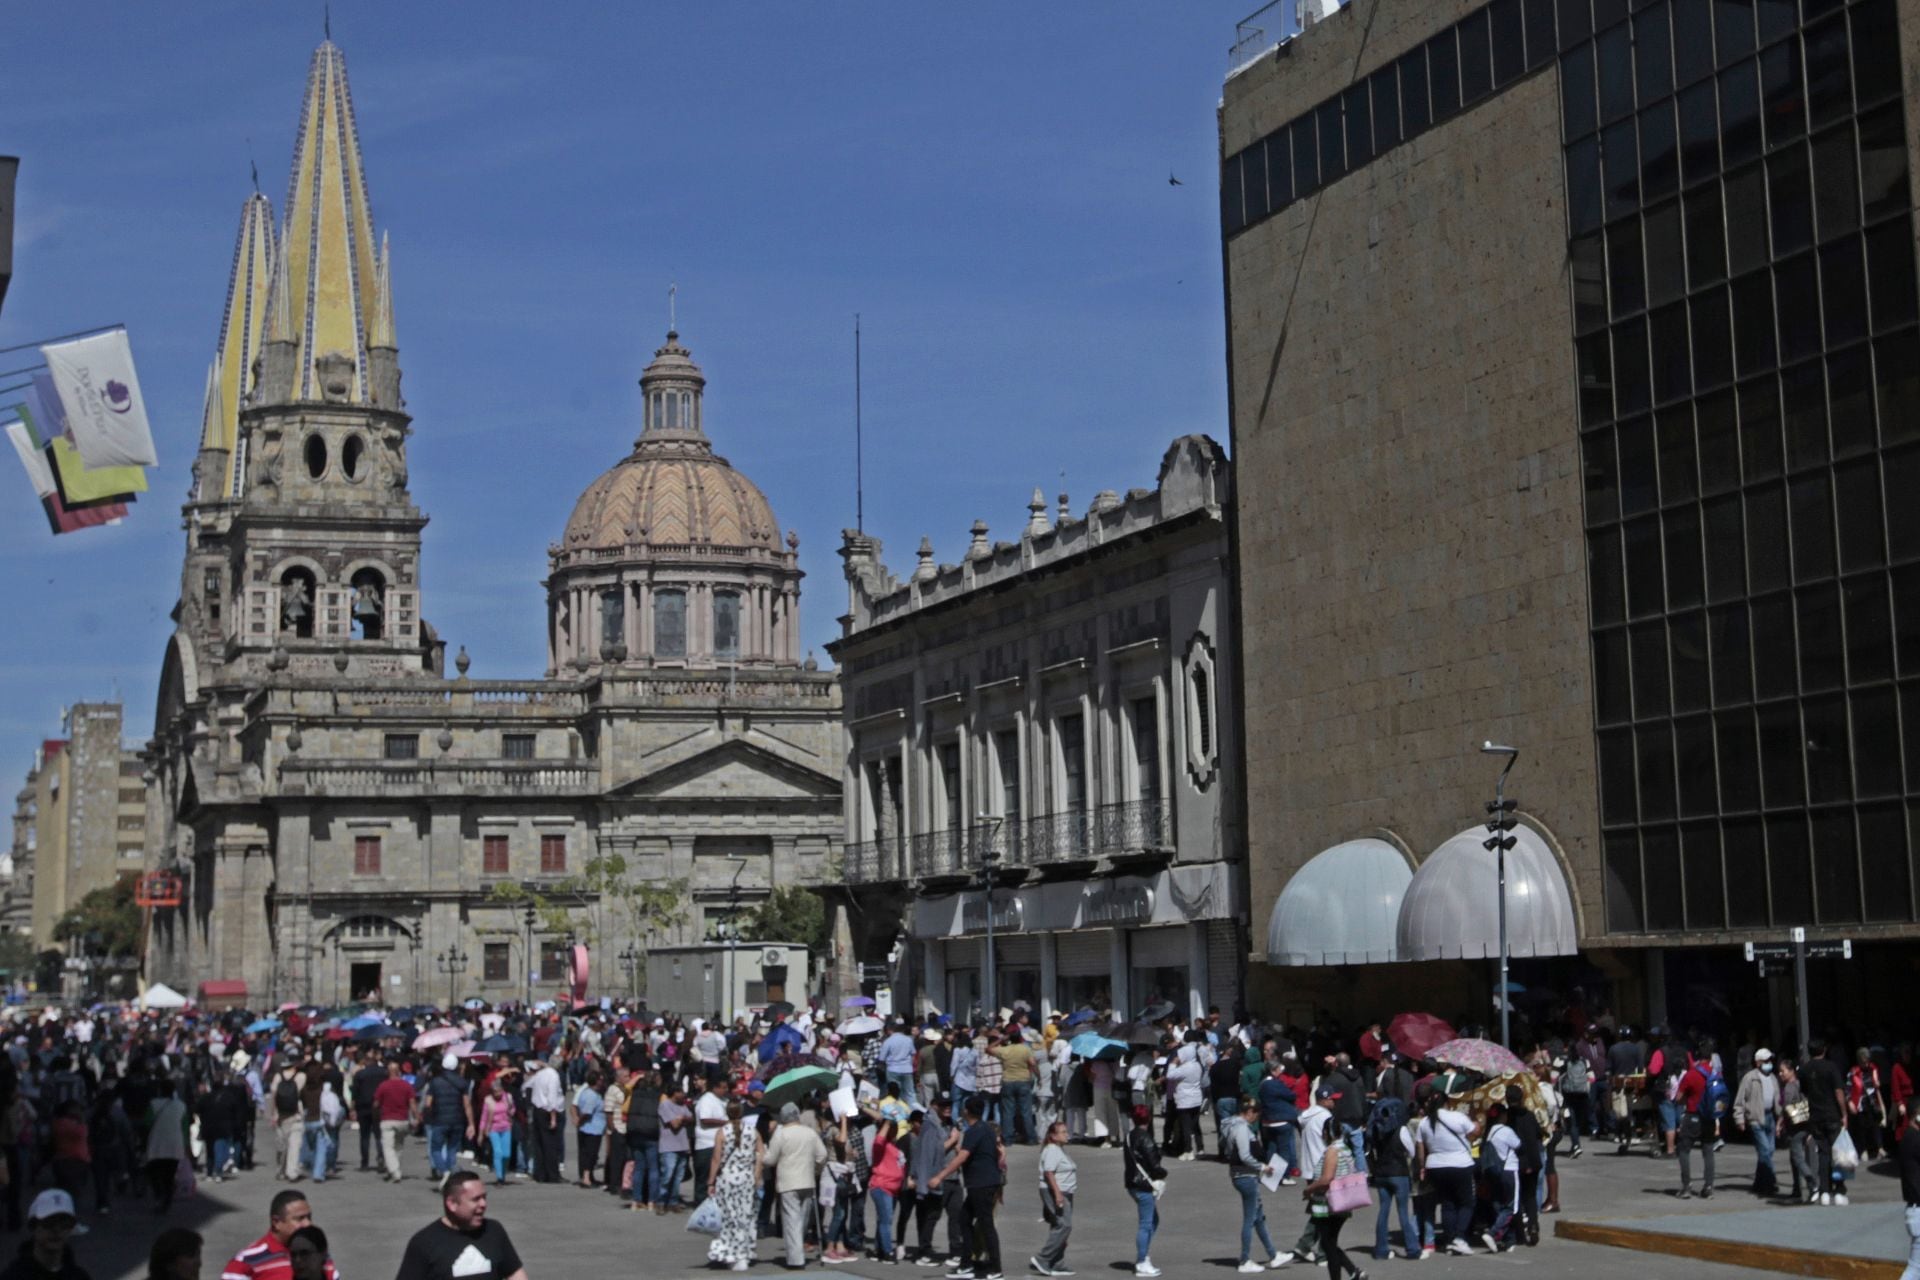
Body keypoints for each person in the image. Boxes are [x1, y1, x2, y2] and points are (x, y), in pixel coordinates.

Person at [394, 1171, 528, 1280]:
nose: (483, 1204)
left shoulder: (494, 1230)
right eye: (476, 1199)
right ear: (452, 1203)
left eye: (484, 1197)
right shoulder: (423, 1243)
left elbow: (515, 1274)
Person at [932, 1095, 1004, 1280]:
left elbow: (962, 1157)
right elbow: (991, 1152)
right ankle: (966, 1264)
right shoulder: (987, 1129)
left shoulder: (973, 1131)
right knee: (964, 1219)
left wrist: (940, 1175)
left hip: (981, 1184)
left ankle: (995, 1269)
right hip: (985, 1183)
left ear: (967, 1111)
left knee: (986, 1225)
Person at [1300, 1115, 1366, 1280]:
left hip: (1328, 1203)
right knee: (1329, 1242)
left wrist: (1309, 1189)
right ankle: (1354, 1272)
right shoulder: (1345, 1148)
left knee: (1328, 1244)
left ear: (1327, 1133)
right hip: (1343, 1201)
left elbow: (1327, 1178)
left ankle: (1346, 1275)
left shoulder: (1332, 1150)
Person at [763, 1101, 828, 1269]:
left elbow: (770, 1159)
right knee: (802, 1220)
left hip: (788, 1182)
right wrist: (816, 1169)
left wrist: (761, 1154)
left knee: (792, 1220)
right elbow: (822, 1155)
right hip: (807, 1180)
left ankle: (796, 1259)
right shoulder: (810, 1133)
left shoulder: (781, 1134)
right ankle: (797, 1251)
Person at [220, 1190, 340, 1280]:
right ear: (276, 1222)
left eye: (309, 1217)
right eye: (300, 1219)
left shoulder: (317, 1253)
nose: (308, 1223)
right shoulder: (247, 1261)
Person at [1413, 1091, 1477, 1257]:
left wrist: (1422, 1167)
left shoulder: (1425, 1122)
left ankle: (1449, 1239)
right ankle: (1460, 1237)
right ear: (1447, 1103)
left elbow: (1420, 1149)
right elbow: (1474, 1132)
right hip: (1460, 1164)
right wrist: (1475, 1119)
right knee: (1466, 1202)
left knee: (1448, 1203)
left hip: (1435, 1166)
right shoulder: (1458, 1117)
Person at [1224, 1095, 1284, 1272]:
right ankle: (1244, 1260)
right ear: (1249, 1112)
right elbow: (1244, 1155)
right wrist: (1263, 1167)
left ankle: (1273, 1255)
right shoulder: (1242, 1128)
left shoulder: (1232, 1125)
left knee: (1258, 1218)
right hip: (1246, 1176)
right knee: (1250, 1219)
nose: (1257, 1117)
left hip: (1241, 1175)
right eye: (1255, 1113)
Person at [706, 1101, 762, 1272]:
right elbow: (760, 1154)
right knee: (745, 1216)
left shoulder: (722, 1132)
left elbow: (716, 1159)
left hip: (728, 1179)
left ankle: (732, 1254)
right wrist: (756, 1175)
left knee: (729, 1218)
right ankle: (744, 1253)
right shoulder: (753, 1131)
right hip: (746, 1178)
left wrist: (710, 1181)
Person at [1364, 1098, 1417, 1262]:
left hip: (1381, 1173)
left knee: (1383, 1211)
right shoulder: (1401, 1130)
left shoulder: (1374, 1128)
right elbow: (1411, 1151)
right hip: (1398, 1172)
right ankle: (1412, 1249)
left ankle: (1381, 1249)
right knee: (1403, 1212)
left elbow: (1369, 1151)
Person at [1122, 1103, 1168, 1277]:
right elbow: (1155, 1165)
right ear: (1148, 1118)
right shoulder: (1146, 1138)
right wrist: (1163, 1174)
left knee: (1152, 1220)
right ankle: (1142, 1261)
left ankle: (1144, 1255)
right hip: (1143, 1185)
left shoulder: (1129, 1136)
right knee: (1146, 1223)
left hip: (1132, 1183)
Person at [1803, 1040, 1850, 1205]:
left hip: (1815, 1116)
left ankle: (1824, 1190)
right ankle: (1839, 1188)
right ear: (1824, 1049)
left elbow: (1805, 1092)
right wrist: (1844, 1113)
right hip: (1832, 1115)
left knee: (1823, 1154)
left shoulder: (1805, 1069)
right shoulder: (1831, 1067)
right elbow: (1839, 1091)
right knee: (1837, 1153)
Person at [908, 1095, 955, 1264]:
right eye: (943, 1105)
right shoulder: (930, 1126)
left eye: (949, 1104)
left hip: (948, 1177)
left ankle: (953, 1252)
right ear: (934, 1106)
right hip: (933, 1178)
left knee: (951, 1216)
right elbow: (932, 1151)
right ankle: (924, 1252)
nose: (948, 1108)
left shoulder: (949, 1123)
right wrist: (953, 1140)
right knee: (931, 1216)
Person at [3, 1191, 89, 1280]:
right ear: (33, 1227)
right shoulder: (13, 1276)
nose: (57, 1230)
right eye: (49, 1223)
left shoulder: (79, 1277)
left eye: (64, 1224)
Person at [1031, 1121, 1077, 1277]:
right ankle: (1043, 1258)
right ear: (1053, 1136)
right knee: (1064, 1226)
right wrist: (1057, 1194)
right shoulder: (1052, 1150)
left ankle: (1057, 1263)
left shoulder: (1059, 1149)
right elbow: (1049, 1173)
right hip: (1057, 1192)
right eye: (1063, 1132)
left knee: (1058, 1226)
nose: (1066, 1134)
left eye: (1066, 1131)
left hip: (1066, 1191)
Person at [1732, 1048, 1780, 1197]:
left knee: (1768, 1151)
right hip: (1755, 1118)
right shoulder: (1750, 1078)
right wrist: (1739, 1118)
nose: (1769, 1064)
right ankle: (1770, 1182)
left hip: (1770, 1117)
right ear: (1758, 1062)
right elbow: (1739, 1101)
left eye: (1770, 1061)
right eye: (1766, 1061)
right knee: (1765, 1150)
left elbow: (1778, 1099)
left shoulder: (1773, 1078)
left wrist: (1781, 1117)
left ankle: (1759, 1183)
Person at [421, 1056, 471, 1191]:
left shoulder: (435, 1082)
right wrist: (471, 1124)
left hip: (439, 1120)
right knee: (452, 1149)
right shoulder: (462, 1082)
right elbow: (467, 1105)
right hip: (457, 1120)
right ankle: (452, 1175)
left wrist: (428, 1116)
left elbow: (428, 1103)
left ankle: (444, 1171)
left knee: (436, 1149)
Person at [1675, 1047, 1718, 1199]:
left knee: (1684, 1150)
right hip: (1710, 1117)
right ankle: (1708, 1187)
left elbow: (1679, 1098)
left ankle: (1686, 1186)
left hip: (1693, 1115)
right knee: (1708, 1152)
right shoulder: (1715, 1074)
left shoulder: (1691, 1075)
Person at [145, 1080, 191, 1213]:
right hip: (175, 1145)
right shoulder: (181, 1106)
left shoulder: (153, 1104)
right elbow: (185, 1128)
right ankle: (167, 1201)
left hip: (156, 1145)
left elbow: (147, 1123)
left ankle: (159, 1196)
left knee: (154, 1173)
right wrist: (187, 1147)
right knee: (169, 1176)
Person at [373, 1061, 418, 1183]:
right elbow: (412, 1103)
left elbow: (376, 1103)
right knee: (398, 1147)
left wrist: (377, 1108)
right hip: (402, 1120)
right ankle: (392, 1169)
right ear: (399, 1071)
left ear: (388, 1072)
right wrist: (417, 1117)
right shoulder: (406, 1085)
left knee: (388, 1148)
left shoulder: (383, 1086)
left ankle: (395, 1172)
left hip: (387, 1119)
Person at [692, 1076, 732, 1209]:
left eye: (726, 1087)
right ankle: (700, 1206)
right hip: (706, 1144)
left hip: (721, 1143)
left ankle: (715, 1206)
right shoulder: (706, 1100)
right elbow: (705, 1119)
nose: (726, 1090)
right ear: (714, 1087)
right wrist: (726, 1122)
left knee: (717, 1178)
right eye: (723, 1087)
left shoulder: (724, 1100)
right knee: (704, 1178)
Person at [524, 1057, 565, 1184]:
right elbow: (552, 1097)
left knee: (539, 1144)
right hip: (548, 1111)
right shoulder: (553, 1076)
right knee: (551, 1145)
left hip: (538, 1110)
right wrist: (553, 1118)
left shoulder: (540, 1074)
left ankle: (540, 1174)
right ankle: (552, 1175)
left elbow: (526, 1085)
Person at [657, 1081, 692, 1213]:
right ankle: (661, 1201)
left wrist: (682, 1118)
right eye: (680, 1091)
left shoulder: (683, 1106)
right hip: (668, 1146)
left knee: (678, 1177)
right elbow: (674, 1125)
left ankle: (673, 1201)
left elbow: (691, 1118)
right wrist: (682, 1119)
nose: (683, 1094)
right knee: (667, 1175)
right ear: (674, 1093)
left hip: (682, 1145)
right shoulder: (665, 1105)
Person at [1896, 1097, 1919, 1280]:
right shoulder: (1914, 1139)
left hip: (1915, 1211)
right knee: (1914, 1270)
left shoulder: (1909, 1138)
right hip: (1918, 1211)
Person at [570, 1071, 604, 1189]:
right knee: (590, 1154)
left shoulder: (585, 1092)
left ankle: (590, 1177)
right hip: (591, 1129)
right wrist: (580, 1120)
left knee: (588, 1154)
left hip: (590, 1128)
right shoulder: (592, 1095)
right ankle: (586, 1178)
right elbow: (587, 1112)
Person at [478, 1077, 515, 1186]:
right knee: (498, 1152)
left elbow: (513, 1110)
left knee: (506, 1154)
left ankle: (503, 1173)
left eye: (499, 1091)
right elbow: (483, 1118)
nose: (497, 1094)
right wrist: (481, 1133)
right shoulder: (488, 1100)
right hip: (493, 1128)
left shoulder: (508, 1097)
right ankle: (499, 1177)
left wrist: (511, 1110)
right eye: (495, 1092)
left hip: (506, 1128)